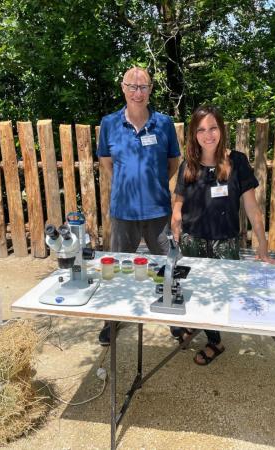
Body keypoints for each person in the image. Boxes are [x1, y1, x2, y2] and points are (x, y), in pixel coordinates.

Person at [170, 105, 275, 365]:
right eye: (202, 130)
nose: (208, 135)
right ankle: (197, 325)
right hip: (192, 241)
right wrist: (175, 222)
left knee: (218, 294)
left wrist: (262, 244)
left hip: (224, 243)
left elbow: (251, 206)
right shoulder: (189, 164)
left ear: (222, 129)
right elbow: (178, 200)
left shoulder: (237, 161)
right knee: (194, 290)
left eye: (213, 128)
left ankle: (215, 342)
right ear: (194, 134)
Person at [96, 67, 181, 345]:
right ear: (123, 88)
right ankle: (113, 320)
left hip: (158, 211)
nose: (137, 92)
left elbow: (172, 163)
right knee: (117, 269)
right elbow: (108, 163)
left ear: (151, 89)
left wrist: (152, 183)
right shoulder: (109, 123)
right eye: (132, 87)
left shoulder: (164, 123)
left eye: (143, 87)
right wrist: (127, 182)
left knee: (167, 267)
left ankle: (174, 317)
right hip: (123, 212)